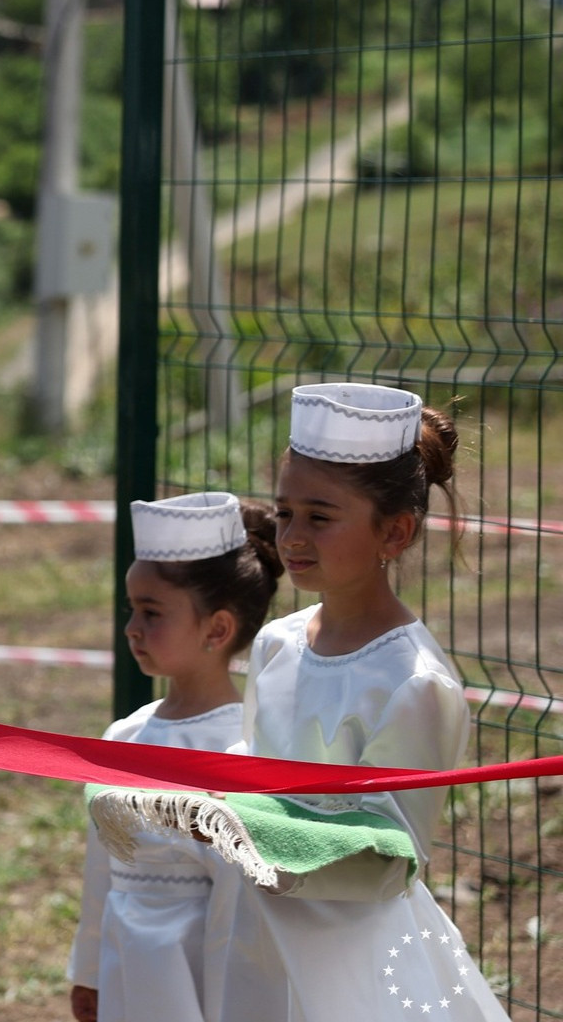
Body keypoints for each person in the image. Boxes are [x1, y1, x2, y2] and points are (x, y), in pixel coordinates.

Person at [208, 383, 508, 1020]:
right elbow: (254, 762)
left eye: (320, 517)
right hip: (260, 940)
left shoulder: (414, 684)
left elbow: (383, 861)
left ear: (394, 533)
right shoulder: (277, 645)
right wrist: (197, 792)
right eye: (285, 513)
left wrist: (234, 823)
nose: (292, 536)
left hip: (357, 968)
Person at [66, 492, 279, 1022]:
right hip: (125, 959)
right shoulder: (124, 736)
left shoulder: (246, 747)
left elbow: (242, 895)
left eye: (152, 612)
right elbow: (101, 869)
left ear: (217, 629)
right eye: (131, 609)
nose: (132, 628)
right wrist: (89, 970)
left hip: (203, 966)